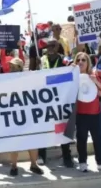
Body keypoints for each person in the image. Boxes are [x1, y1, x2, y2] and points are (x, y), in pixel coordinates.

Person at [72, 52, 101, 173]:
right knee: (81, 139)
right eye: (78, 59)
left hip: (95, 112)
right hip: (80, 113)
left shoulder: (94, 74)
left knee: (98, 139)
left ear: (88, 62)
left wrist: (96, 82)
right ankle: (82, 162)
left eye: (83, 60)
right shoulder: (72, 75)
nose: (80, 62)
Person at [35, 38, 74, 168]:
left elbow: (72, 72)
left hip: (61, 99)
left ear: (58, 47)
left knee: (62, 128)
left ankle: (67, 156)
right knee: (44, 127)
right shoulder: (41, 59)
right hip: (45, 99)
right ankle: (41, 155)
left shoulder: (65, 60)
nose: (50, 48)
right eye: (48, 46)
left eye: (53, 45)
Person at [5, 58, 44, 176]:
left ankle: (33, 164)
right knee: (14, 143)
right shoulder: (5, 80)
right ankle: (14, 166)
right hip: (13, 115)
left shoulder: (28, 79)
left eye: (14, 66)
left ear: (20, 68)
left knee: (32, 141)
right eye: (10, 66)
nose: (11, 68)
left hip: (27, 115)